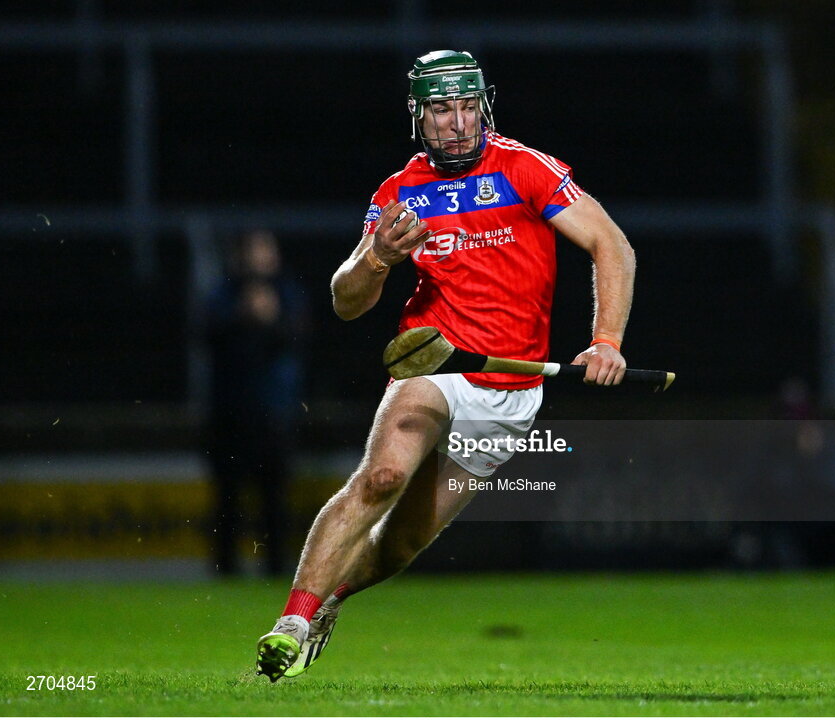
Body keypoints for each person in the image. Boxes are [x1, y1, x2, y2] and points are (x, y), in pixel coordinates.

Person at [255, 50, 635, 681]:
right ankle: (290, 623)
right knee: (379, 478)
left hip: (513, 390)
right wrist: (377, 257)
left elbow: (610, 244)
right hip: (436, 365)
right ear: (418, 116)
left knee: (402, 543)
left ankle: (331, 602)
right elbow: (345, 300)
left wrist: (607, 341)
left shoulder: (525, 169)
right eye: (440, 109)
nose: (456, 123)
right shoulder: (400, 193)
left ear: (483, 108)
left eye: (466, 107)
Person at [204, 229, 310, 576]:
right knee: (227, 499)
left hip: (275, 413)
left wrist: (272, 320)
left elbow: (300, 336)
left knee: (274, 500)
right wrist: (241, 316)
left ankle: (277, 570)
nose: (261, 258)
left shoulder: (287, 294)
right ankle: (225, 570)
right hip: (230, 412)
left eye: (266, 250)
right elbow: (204, 333)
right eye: (254, 251)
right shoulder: (223, 293)